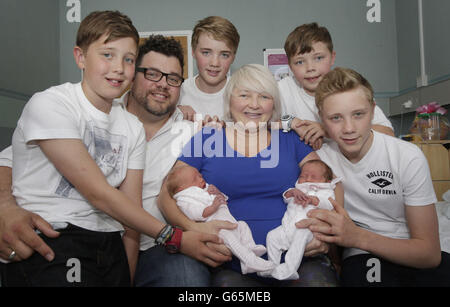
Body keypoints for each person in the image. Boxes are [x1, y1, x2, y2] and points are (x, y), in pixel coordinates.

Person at [0, 34, 231, 287]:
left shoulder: (193, 133)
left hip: (164, 247)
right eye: (152, 73)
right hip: (90, 238)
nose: (163, 84)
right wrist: (6, 208)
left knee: (185, 279)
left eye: (173, 79)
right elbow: (11, 162)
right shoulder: (96, 112)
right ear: (132, 74)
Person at [158, 63, 343, 287]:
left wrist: (325, 234)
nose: (254, 105)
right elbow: (166, 194)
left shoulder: (289, 137)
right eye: (244, 95)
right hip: (231, 264)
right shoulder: (207, 137)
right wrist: (195, 229)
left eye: (264, 96)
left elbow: (332, 184)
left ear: (273, 103)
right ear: (229, 99)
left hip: (299, 258)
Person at [300, 66, 450, 286]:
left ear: (373, 110)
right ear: (321, 118)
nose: (349, 128)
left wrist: (356, 236)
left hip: (410, 248)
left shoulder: (406, 156)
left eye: (358, 114)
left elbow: (429, 254)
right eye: (335, 118)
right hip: (364, 256)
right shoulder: (318, 163)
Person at [279, 22, 394, 147]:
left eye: (318, 58)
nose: (310, 68)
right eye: (300, 62)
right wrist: (291, 122)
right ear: (290, 66)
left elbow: (388, 134)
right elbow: (259, 124)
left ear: (332, 57)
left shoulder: (348, 87)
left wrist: (329, 130)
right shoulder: (282, 89)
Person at [167, 165, 275, 274]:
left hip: (230, 223)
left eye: (200, 175)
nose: (201, 179)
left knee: (242, 225)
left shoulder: (204, 189)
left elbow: (223, 200)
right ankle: (249, 260)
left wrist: (218, 193)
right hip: (217, 230)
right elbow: (195, 214)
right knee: (228, 238)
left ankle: (250, 247)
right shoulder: (185, 199)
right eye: (195, 179)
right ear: (182, 189)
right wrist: (213, 207)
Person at [260, 159, 341, 280]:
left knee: (300, 235)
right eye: (303, 176)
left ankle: (290, 269)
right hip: (287, 228)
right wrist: (292, 192)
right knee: (272, 236)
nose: (307, 179)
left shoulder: (325, 191)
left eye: (313, 176)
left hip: (308, 231)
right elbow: (286, 197)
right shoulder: (298, 189)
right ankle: (272, 266)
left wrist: (315, 200)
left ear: (327, 181)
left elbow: (330, 204)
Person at [178, 16, 240, 121]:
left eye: (224, 55)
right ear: (193, 52)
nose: (215, 63)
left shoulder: (244, 94)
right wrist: (174, 113)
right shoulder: (178, 93)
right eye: (206, 53)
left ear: (233, 57)